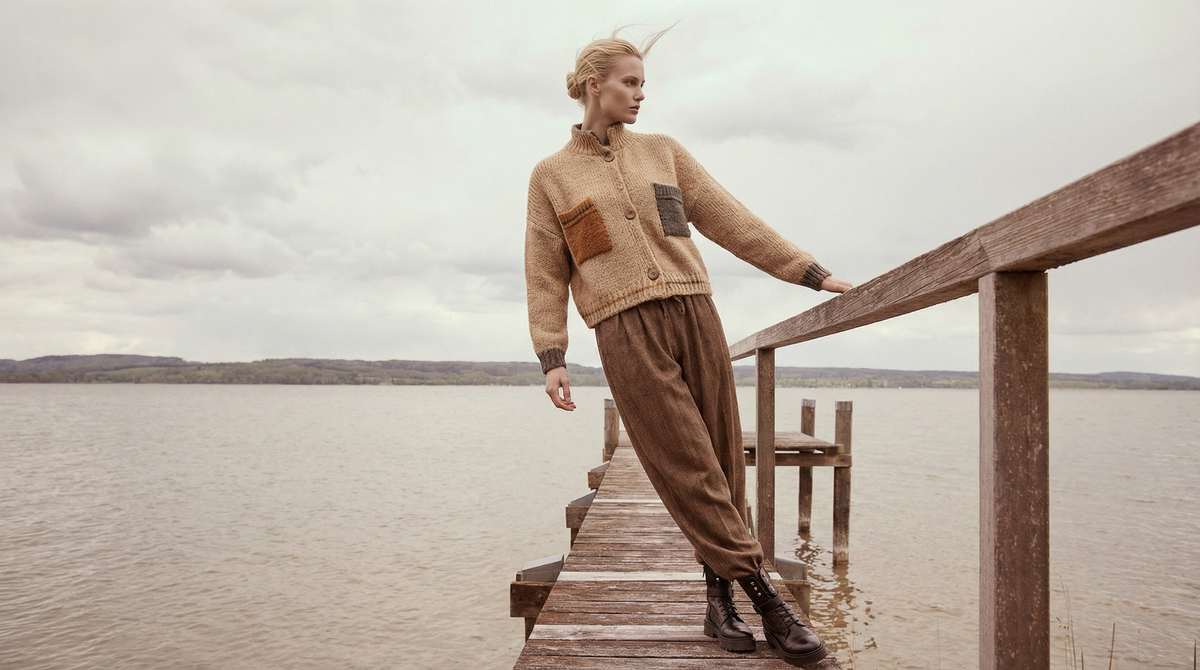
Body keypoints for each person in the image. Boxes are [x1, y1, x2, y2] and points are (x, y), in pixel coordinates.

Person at [524, 29, 852, 667]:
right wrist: (552, 355)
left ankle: (717, 600)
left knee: (725, 460)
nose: (641, 94)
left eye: (644, 83)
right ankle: (769, 603)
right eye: (631, 82)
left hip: (696, 312)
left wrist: (808, 272)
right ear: (595, 85)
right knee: (687, 464)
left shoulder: (663, 153)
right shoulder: (551, 177)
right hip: (624, 329)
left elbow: (731, 220)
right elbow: (545, 272)